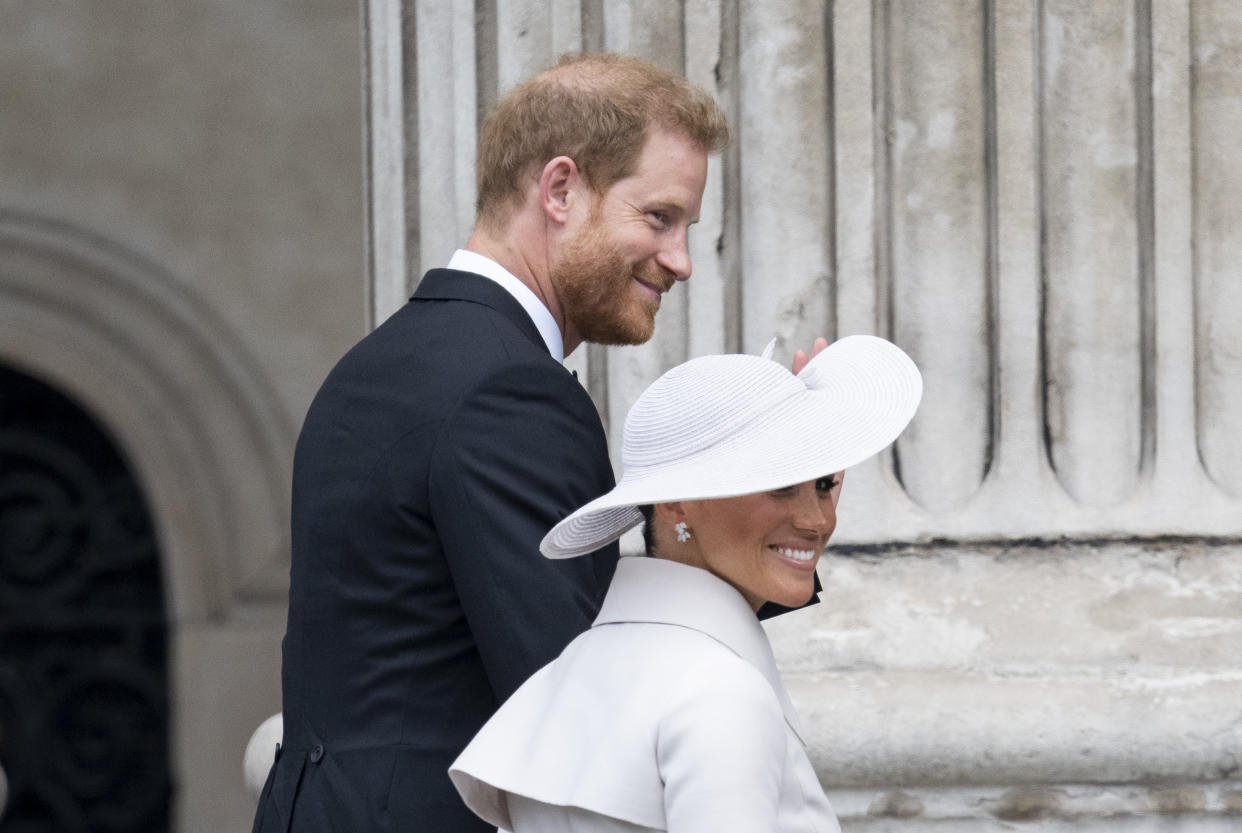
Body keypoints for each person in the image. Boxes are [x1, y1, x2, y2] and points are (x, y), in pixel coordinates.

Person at [250, 53, 729, 832]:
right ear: (561, 189)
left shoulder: (380, 360)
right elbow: (578, 680)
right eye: (659, 217)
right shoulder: (509, 389)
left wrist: (771, 476)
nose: (679, 260)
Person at [449, 334, 923, 833]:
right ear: (676, 501)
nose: (816, 520)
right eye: (779, 483)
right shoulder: (720, 690)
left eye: (823, 483)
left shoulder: (568, 676)